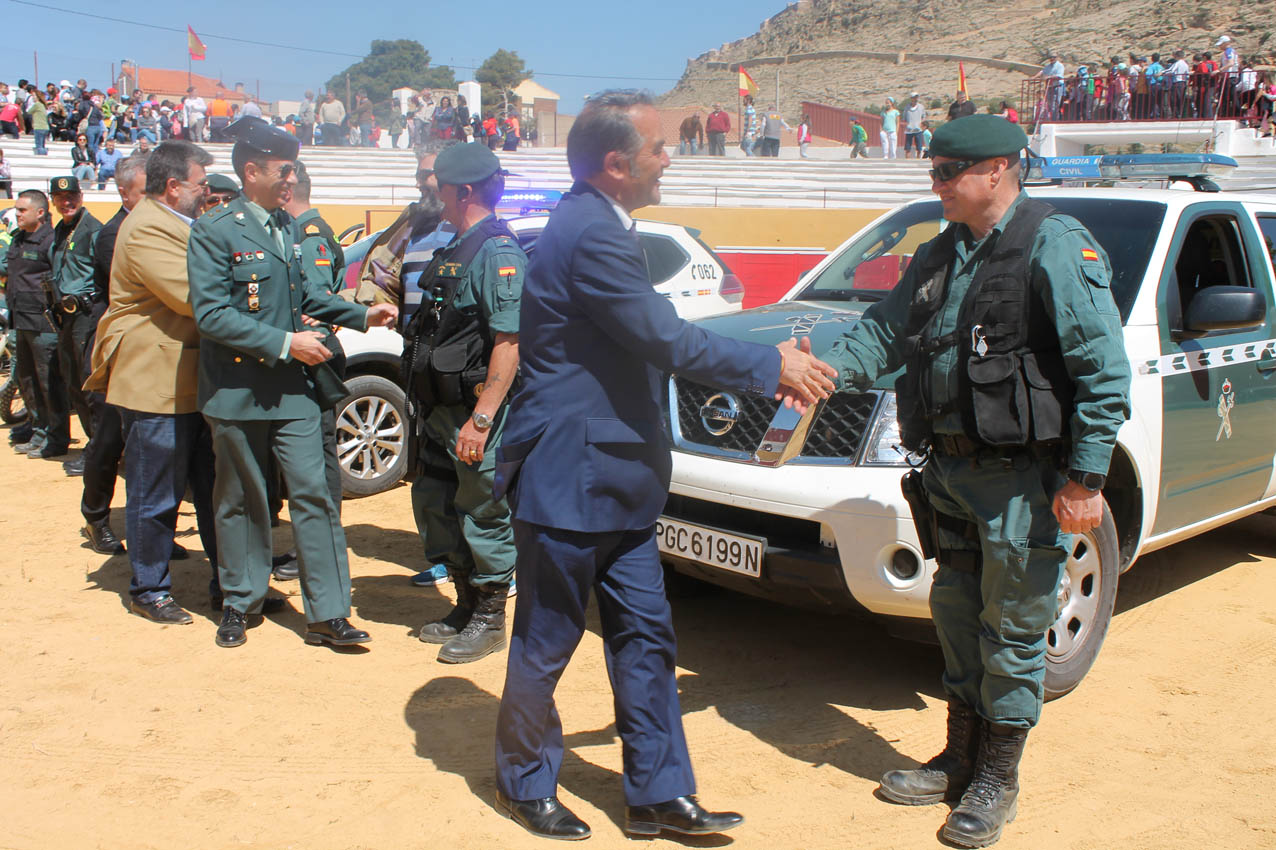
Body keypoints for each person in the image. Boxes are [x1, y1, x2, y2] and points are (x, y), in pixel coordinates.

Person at [490, 89, 837, 841]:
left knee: (647, 638)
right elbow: (664, 338)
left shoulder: (597, 221)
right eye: (657, 148)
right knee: (546, 642)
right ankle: (523, 781)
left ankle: (658, 793)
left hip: (620, 477)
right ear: (616, 165)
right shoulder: (590, 232)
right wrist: (770, 364)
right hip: (569, 478)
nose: (668, 159)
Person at [809, 115, 1130, 848]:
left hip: (1021, 481)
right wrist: (824, 374)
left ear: (997, 170)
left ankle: (998, 778)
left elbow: (1102, 371)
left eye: (948, 171)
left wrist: (1084, 477)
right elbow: (883, 335)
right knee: (954, 615)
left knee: (1013, 631)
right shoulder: (938, 255)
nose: (936, 184)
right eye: (933, 171)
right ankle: (959, 756)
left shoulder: (1052, 244)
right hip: (948, 473)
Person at [187, 117, 398, 649]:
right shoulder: (215, 229)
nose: (292, 179)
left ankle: (328, 612)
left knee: (315, 496)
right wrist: (286, 344)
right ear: (251, 170)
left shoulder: (286, 226)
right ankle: (241, 600)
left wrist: (359, 314)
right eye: (285, 170)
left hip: (294, 392)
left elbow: (304, 299)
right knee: (240, 497)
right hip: (237, 392)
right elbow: (211, 315)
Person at [83, 141, 242, 622]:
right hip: (157, 381)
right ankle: (149, 587)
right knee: (157, 492)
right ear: (173, 187)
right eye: (200, 184)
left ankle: (228, 584)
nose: (205, 192)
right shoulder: (149, 228)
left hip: (188, 379)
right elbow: (195, 298)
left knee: (212, 487)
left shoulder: (173, 222)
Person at [400, 143, 524, 664]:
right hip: (438, 412)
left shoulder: (497, 252)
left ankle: (489, 617)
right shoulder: (457, 244)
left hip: (473, 415)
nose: (433, 193)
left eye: (439, 187)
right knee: (436, 503)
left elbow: (508, 343)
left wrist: (482, 419)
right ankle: (464, 600)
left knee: (482, 510)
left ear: (464, 191)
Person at [353, 152, 454, 588]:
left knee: (472, 477)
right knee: (430, 472)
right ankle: (445, 556)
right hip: (419, 364)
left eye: (427, 174)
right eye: (418, 174)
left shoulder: (475, 229)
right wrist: (379, 305)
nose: (421, 183)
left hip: (463, 371)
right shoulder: (413, 226)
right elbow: (377, 274)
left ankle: (491, 567)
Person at [66, 155, 145, 542]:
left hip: (139, 352)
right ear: (124, 192)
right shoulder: (116, 233)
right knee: (110, 439)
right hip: (115, 352)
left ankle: (145, 527)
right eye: (144, 191)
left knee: (141, 444)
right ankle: (96, 518)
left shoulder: (144, 227)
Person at [1, 190, 61, 457]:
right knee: (27, 380)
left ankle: (56, 437)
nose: (18, 214)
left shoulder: (50, 240)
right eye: (16, 210)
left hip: (43, 321)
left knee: (49, 381)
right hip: (20, 319)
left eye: (22, 210)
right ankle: (39, 431)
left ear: (40, 212)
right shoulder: (18, 239)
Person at [48, 175, 103, 454]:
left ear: (81, 197)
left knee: (87, 382)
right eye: (60, 198)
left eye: (71, 197)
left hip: (86, 313)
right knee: (72, 380)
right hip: (66, 315)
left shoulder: (92, 229)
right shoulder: (61, 228)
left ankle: (99, 448)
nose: (66, 202)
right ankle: (94, 445)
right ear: (53, 201)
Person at [902, 93, 926, 158]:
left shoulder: (921, 107)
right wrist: (907, 125)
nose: (915, 99)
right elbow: (904, 118)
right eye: (913, 97)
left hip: (918, 130)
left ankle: (918, 160)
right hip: (909, 130)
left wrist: (921, 125)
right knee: (907, 148)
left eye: (916, 97)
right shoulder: (907, 107)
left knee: (919, 148)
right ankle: (907, 161)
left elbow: (924, 117)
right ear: (911, 98)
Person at [29, 88, 49, 155]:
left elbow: (29, 112)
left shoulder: (37, 104)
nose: (33, 97)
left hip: (39, 127)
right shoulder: (43, 105)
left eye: (34, 96)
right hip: (45, 127)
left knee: (39, 145)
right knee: (42, 145)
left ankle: (41, 157)